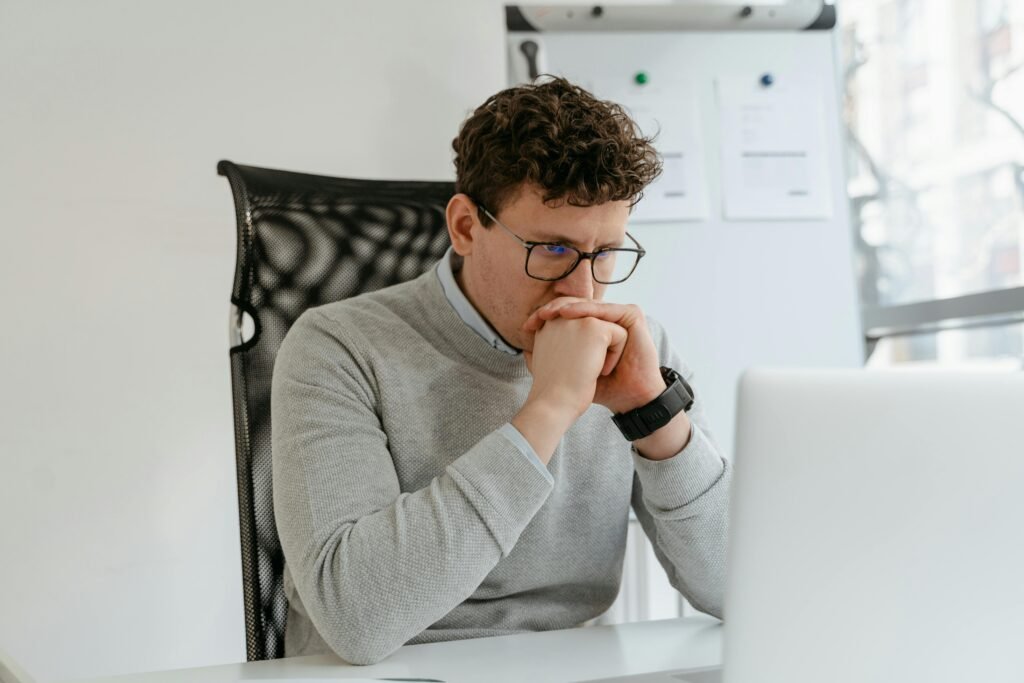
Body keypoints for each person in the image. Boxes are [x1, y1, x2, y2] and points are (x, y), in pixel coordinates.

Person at [271, 76, 731, 665]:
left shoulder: (634, 347)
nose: (583, 289)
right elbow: (357, 618)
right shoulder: (338, 347)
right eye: (554, 250)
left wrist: (652, 413)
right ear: (465, 227)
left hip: (572, 668)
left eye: (605, 253)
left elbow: (739, 588)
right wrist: (548, 410)